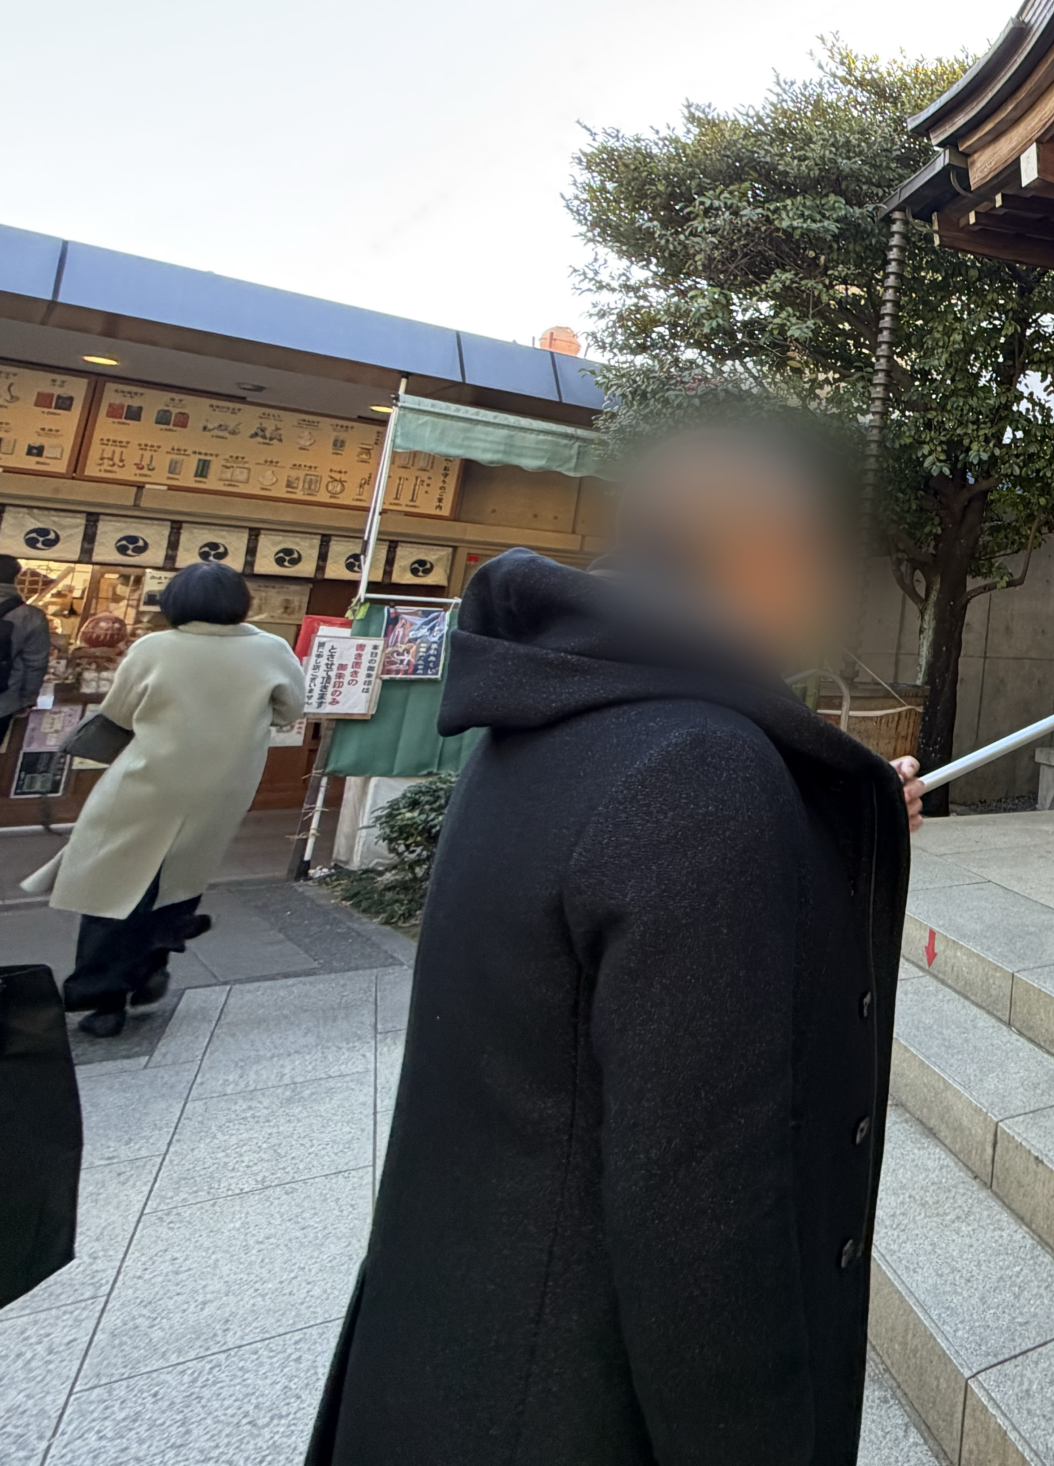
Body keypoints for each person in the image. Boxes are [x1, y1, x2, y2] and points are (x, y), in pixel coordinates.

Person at [308, 422, 927, 1466]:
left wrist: (799, 834)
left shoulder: (555, 714)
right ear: (768, 554)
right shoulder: (700, 767)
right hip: (579, 1408)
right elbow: (704, 1214)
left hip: (462, 1356)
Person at [22, 562, 304, 1037]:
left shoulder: (154, 647)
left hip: (148, 780)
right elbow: (289, 711)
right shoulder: (271, 649)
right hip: (222, 786)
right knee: (179, 882)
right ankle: (149, 971)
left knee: (114, 886)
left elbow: (121, 712)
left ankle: (103, 999)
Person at [0, 555, 52, 738]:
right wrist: (27, 700)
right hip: (4, 701)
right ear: (17, 576)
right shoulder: (30, 616)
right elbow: (36, 664)